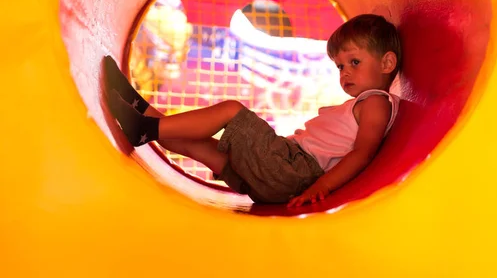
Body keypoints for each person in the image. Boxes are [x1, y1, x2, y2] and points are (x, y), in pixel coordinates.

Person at [104, 14, 402, 207]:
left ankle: (144, 127)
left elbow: (363, 153)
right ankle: (142, 112)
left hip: (294, 170)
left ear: (387, 64)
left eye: (354, 62)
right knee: (196, 145)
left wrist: (321, 186)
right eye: (339, 66)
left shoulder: (376, 102)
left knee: (232, 111)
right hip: (280, 175)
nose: (344, 73)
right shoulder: (364, 103)